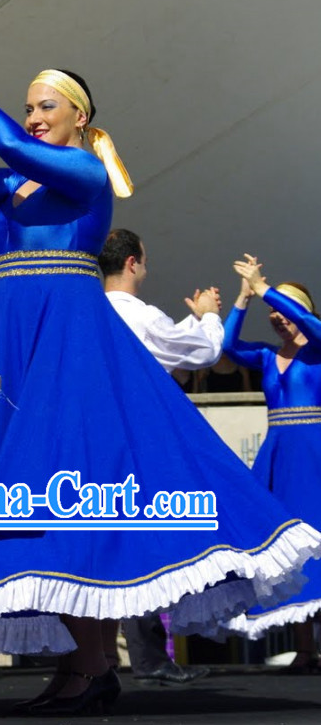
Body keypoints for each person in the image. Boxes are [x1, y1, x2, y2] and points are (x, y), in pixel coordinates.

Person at [0, 38, 320, 717]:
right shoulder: (15, 182)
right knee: (42, 500)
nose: (34, 115)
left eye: (46, 106)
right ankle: (90, 665)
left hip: (69, 342)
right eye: (28, 106)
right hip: (15, 344)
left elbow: (11, 146)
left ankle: (87, 666)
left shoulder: (83, 172)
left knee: (76, 486)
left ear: (78, 116)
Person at [100, 228, 220, 685]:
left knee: (100, 545)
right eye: (144, 259)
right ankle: (148, 657)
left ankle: (102, 658)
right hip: (135, 443)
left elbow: (164, 348)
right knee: (142, 544)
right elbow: (200, 352)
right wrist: (208, 318)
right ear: (132, 262)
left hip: (91, 443)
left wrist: (191, 324)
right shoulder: (138, 314)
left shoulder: (87, 312)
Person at [215, 255, 321, 670]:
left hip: (314, 453)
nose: (278, 317)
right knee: (289, 548)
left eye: (284, 309)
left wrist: (264, 289)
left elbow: (307, 323)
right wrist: (243, 299)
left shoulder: (317, 347)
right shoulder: (264, 356)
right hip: (280, 456)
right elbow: (225, 347)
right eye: (272, 313)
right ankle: (306, 647)